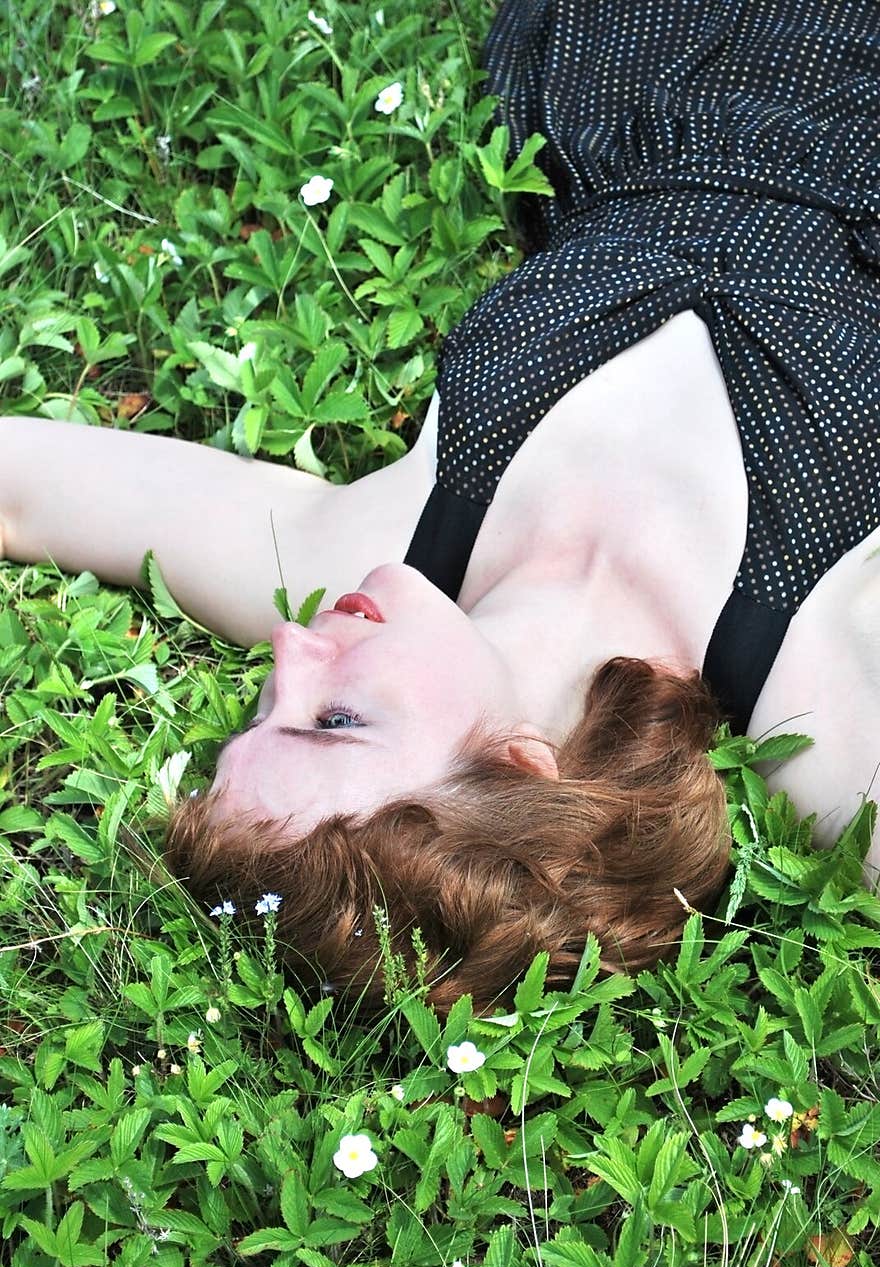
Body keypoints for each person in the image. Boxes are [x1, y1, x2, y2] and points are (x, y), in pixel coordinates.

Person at [2, 0, 880, 1015]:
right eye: (331, 718)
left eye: (261, 707)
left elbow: (19, 479)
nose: (289, 647)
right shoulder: (812, 688)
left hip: (662, 53)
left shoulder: (382, 537)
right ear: (517, 763)